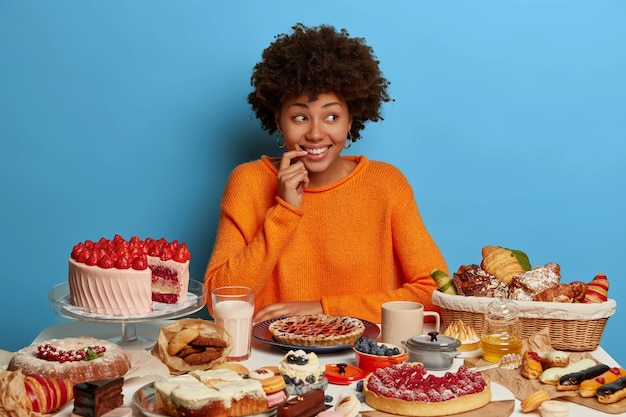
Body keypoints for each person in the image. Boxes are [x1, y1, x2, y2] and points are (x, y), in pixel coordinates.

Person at [205, 23, 448, 324]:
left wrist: (324, 309)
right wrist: (285, 212)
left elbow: (437, 294)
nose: (316, 133)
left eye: (331, 116)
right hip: (267, 365)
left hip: (367, 360)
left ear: (350, 121)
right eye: (300, 117)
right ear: (279, 122)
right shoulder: (249, 182)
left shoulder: (386, 184)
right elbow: (219, 301)